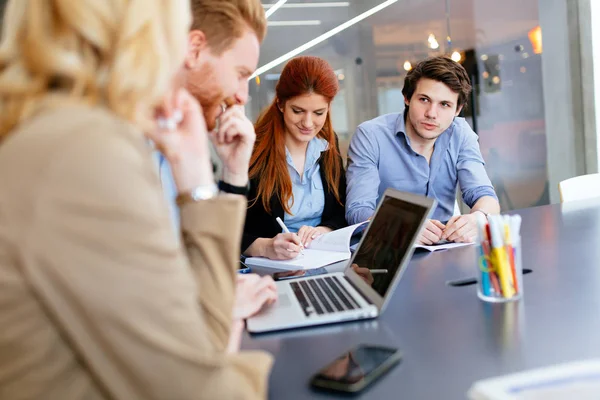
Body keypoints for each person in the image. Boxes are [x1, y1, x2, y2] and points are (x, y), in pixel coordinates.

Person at [0, 0, 272, 399]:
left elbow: (200, 343)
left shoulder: (67, 133)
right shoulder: (84, 153)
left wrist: (196, 175)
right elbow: (200, 389)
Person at [154, 0, 278, 319]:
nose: (242, 96)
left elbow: (208, 269)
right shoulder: (123, 149)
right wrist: (215, 305)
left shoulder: (175, 147)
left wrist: (234, 172)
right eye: (240, 74)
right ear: (194, 49)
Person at [345, 56, 500, 245]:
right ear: (407, 98)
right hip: (386, 249)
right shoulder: (371, 136)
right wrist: (402, 227)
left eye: (445, 104)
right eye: (424, 100)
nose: (432, 114)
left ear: (457, 109)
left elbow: (484, 194)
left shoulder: (460, 133)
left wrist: (479, 218)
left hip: (444, 250)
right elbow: (357, 211)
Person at [242, 56, 347, 260]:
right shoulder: (253, 149)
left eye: (318, 112)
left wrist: (324, 230)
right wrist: (266, 247)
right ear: (281, 104)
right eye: (298, 111)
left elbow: (341, 209)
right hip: (273, 267)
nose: (308, 123)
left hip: (321, 258)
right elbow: (231, 228)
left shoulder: (328, 144)